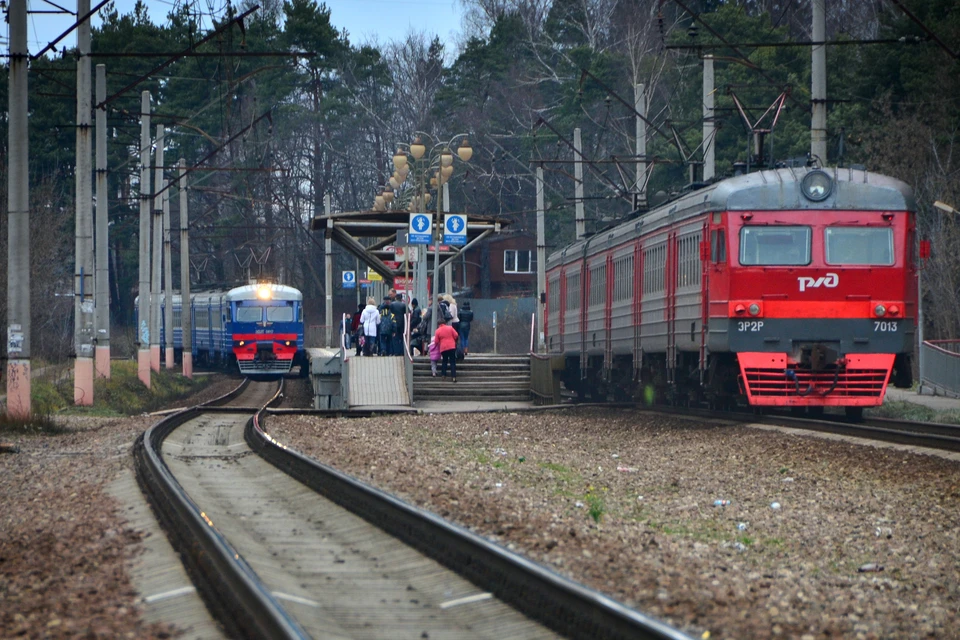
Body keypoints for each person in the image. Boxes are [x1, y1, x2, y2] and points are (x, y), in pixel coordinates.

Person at [434, 317, 459, 382]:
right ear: (445, 323)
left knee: (444, 361)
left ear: (438, 324)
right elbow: (456, 335)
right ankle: (453, 376)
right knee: (452, 362)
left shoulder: (437, 331)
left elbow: (436, 341)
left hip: (443, 348)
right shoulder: (450, 328)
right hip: (452, 347)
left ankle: (443, 375)